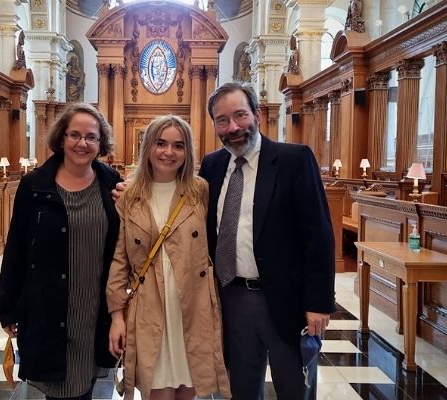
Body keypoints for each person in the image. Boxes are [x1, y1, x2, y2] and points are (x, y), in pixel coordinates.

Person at [199, 82, 335, 400]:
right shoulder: (212, 165)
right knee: (240, 391)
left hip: (288, 302)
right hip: (232, 299)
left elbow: (319, 236)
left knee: (294, 390)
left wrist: (318, 303)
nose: (232, 127)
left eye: (240, 115)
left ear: (257, 114)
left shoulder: (294, 159)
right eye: (222, 120)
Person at [0, 103, 121, 400]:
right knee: (54, 386)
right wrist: (8, 307)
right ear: (61, 138)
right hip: (47, 304)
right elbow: (16, 246)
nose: (82, 143)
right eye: (74, 135)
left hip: (93, 307)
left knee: (86, 383)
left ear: (101, 142)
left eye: (91, 137)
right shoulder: (34, 185)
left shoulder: (111, 183)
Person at [106, 115, 231, 400]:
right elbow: (119, 261)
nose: (168, 152)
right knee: (157, 391)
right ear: (148, 146)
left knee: (189, 388)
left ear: (187, 151)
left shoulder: (200, 190)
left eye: (178, 145)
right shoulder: (129, 196)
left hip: (193, 304)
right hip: (150, 305)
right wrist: (117, 317)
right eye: (161, 143)